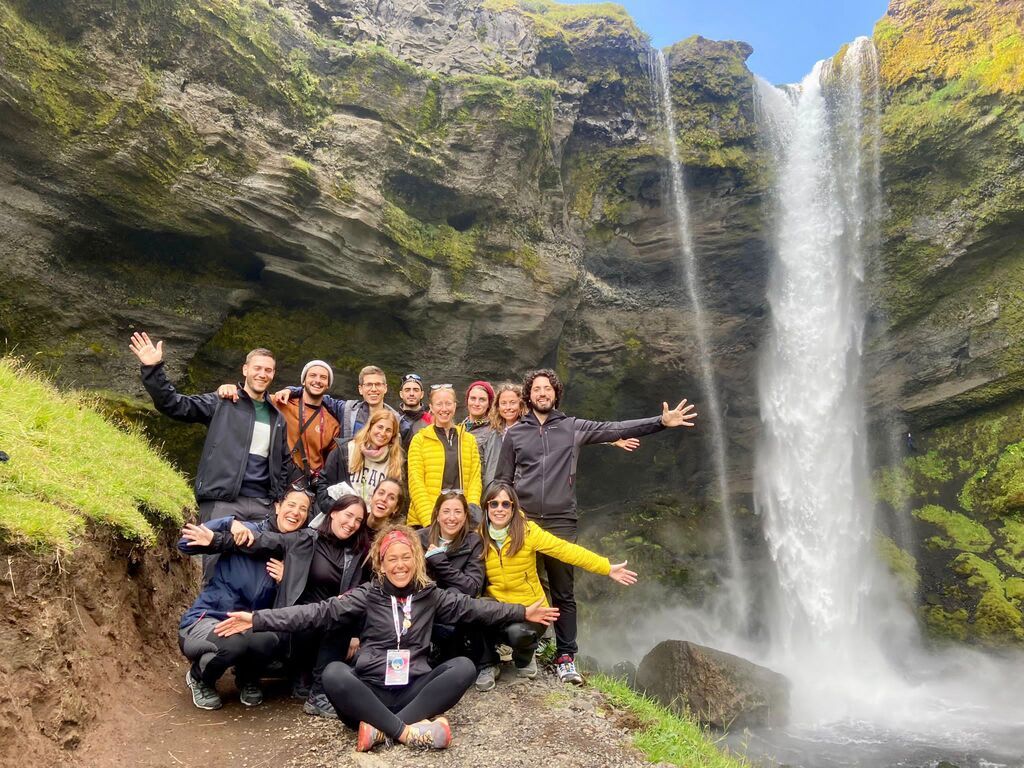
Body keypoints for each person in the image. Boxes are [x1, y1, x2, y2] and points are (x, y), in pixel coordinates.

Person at [214, 526, 559, 752]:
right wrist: (257, 619)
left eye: (406, 557)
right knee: (334, 673)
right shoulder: (366, 594)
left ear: (416, 560)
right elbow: (316, 613)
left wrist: (522, 612)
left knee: (464, 667)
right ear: (381, 562)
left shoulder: (430, 595)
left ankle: (382, 730)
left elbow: (475, 609)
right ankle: (407, 732)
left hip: (412, 689)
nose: (400, 565)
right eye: (392, 559)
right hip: (369, 693)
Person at [495, 368, 696, 684]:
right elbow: (502, 480)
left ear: (555, 394)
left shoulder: (573, 427)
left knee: (563, 590)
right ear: (528, 396)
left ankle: (565, 657)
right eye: (536, 389)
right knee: (520, 584)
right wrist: (505, 515)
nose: (542, 393)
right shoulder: (515, 434)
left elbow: (614, 428)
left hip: (561, 520)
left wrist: (660, 423)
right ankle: (524, 645)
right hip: (526, 521)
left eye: (547, 388)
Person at [192, 493, 371, 718]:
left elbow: (353, 598)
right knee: (324, 618)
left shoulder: (356, 554)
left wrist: (356, 635)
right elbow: (260, 541)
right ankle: (307, 683)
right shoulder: (306, 538)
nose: (352, 524)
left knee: (339, 615)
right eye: (348, 515)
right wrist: (215, 540)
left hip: (330, 623)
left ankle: (318, 691)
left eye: (358, 520)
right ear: (333, 513)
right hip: (298, 623)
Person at [473, 481, 636, 691]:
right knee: (474, 611)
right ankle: (488, 663)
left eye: (506, 504)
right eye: (494, 504)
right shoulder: (479, 536)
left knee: (519, 634)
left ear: (514, 507)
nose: (499, 509)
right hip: (499, 607)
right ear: (486, 506)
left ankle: (524, 657)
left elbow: (565, 550)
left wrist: (606, 567)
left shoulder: (527, 532)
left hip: (531, 610)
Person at [129, 332, 291, 524]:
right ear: (245, 369)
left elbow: (283, 465)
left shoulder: (277, 417)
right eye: (257, 368)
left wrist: (279, 500)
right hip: (221, 502)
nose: (262, 374)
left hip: (262, 506)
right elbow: (174, 405)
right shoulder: (222, 402)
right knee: (217, 553)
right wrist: (152, 368)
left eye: (268, 370)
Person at [176, 487, 312, 710]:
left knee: (269, 639)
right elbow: (184, 545)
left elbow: (292, 607)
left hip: (249, 625)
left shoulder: (295, 553)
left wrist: (287, 580)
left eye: (303, 509)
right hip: (208, 618)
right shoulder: (247, 531)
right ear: (277, 506)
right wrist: (227, 523)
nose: (296, 512)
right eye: (291, 505)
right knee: (233, 642)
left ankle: (247, 677)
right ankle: (200, 678)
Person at [418, 491, 485, 663]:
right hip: (423, 605)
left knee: (454, 593)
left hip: (455, 610)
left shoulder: (474, 541)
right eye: (446, 511)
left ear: (465, 517)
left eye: (457, 512)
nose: (452, 517)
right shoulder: (420, 538)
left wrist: (440, 561)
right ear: (437, 515)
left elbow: (473, 586)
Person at [406, 385, 482, 528]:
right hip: (425, 522)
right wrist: (430, 521)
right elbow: (416, 483)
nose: (444, 409)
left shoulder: (468, 440)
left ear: (455, 405)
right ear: (431, 407)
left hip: (459, 521)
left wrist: (471, 513)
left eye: (448, 403)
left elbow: (475, 480)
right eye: (439, 404)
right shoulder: (420, 439)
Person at [278, 365, 409, 444]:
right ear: (360, 389)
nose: (373, 389)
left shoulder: (399, 422)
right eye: (368, 384)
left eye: (378, 384)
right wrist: (292, 390)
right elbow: (317, 392)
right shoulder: (347, 410)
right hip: (349, 476)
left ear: (385, 388)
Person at [321, 409, 404, 505]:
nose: (383, 433)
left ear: (393, 435)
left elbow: (397, 500)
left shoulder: (395, 462)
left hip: (373, 518)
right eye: (380, 427)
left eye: (388, 430)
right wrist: (335, 509)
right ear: (370, 427)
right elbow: (323, 484)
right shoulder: (345, 450)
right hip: (343, 516)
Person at [398, 373, 432, 450]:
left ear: (422, 394)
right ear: (401, 394)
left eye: (416, 390)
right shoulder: (392, 418)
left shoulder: (431, 420)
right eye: (407, 390)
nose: (411, 394)